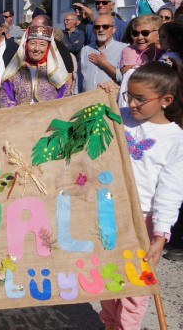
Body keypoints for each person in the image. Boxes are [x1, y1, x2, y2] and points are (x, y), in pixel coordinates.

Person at [97, 61, 183, 330]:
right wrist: (104, 96)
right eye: (129, 96)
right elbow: (93, 117)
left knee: (136, 287)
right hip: (111, 213)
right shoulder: (120, 117)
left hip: (143, 221)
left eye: (141, 99)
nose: (133, 104)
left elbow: (170, 189)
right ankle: (109, 325)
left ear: (166, 100)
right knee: (110, 281)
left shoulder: (174, 138)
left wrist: (160, 234)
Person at [0, 25, 72, 106]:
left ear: (48, 47)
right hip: (20, 117)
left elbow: (64, 101)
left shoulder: (57, 73)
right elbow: (6, 100)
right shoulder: (14, 72)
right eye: (33, 43)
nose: (37, 48)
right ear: (26, 45)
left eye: (42, 44)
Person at [77, 15, 127, 93]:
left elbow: (126, 78)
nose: (100, 30)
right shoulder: (85, 49)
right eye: (97, 27)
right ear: (93, 30)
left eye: (105, 26)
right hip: (86, 100)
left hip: (109, 101)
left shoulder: (124, 49)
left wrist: (104, 64)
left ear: (114, 29)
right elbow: (79, 78)